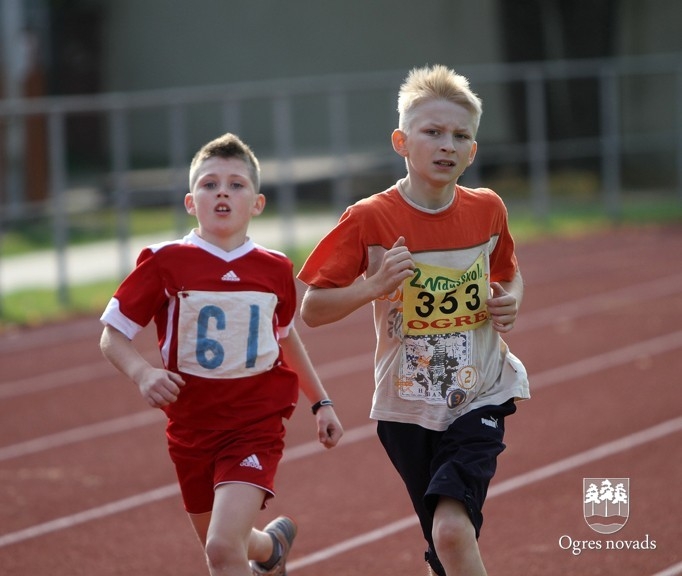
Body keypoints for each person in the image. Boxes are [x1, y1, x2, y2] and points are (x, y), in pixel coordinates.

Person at [297, 64, 529, 576]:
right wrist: (373, 288)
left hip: (480, 391)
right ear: (402, 141)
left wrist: (510, 298)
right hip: (405, 407)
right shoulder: (370, 217)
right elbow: (311, 309)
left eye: (460, 136)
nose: (447, 145)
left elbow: (510, 275)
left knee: (451, 529)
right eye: (433, 132)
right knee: (444, 547)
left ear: (473, 151)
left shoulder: (488, 209)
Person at [99, 132, 343, 576]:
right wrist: (142, 373)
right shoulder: (163, 261)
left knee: (220, 550)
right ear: (191, 202)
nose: (222, 192)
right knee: (229, 542)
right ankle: (270, 550)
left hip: (254, 424)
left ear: (257, 203)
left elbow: (285, 339)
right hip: (191, 426)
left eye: (236, 184)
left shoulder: (275, 268)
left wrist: (320, 401)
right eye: (210, 184)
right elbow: (112, 334)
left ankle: (260, 551)